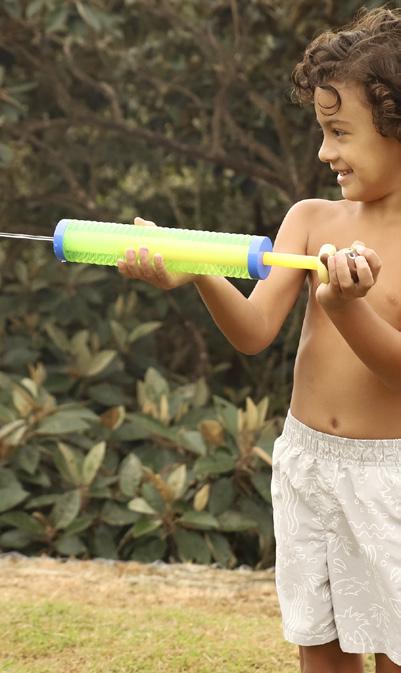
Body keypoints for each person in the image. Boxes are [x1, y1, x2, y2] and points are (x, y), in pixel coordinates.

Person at [117, 7, 401, 672]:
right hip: (306, 462)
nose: (324, 151)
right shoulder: (310, 218)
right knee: (319, 648)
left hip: (389, 480)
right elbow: (252, 332)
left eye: (339, 132)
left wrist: (344, 308)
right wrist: (197, 269)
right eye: (322, 131)